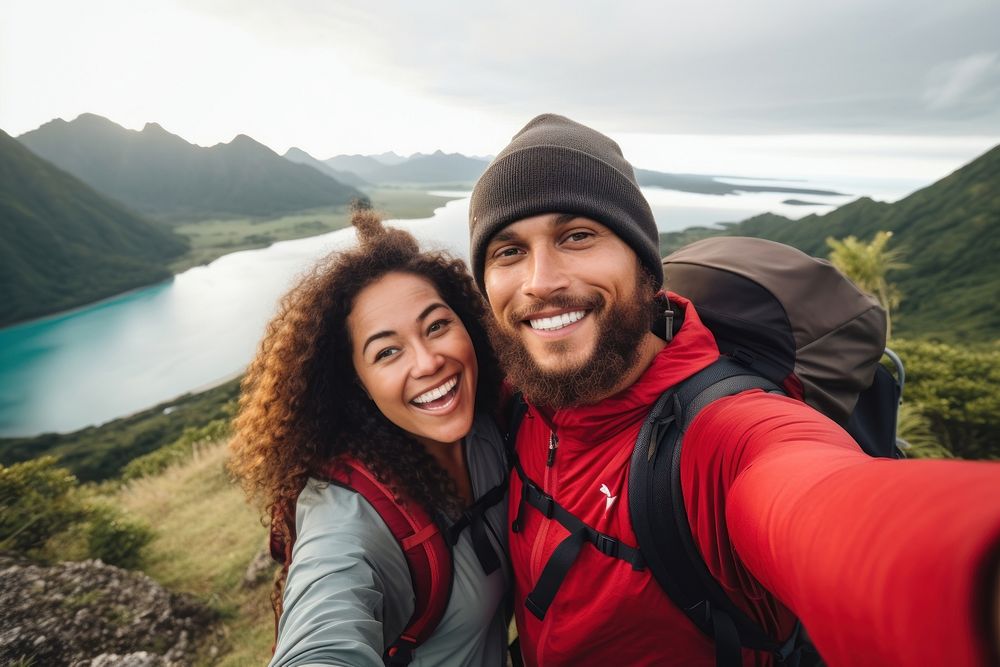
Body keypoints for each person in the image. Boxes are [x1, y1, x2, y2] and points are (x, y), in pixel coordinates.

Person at [468, 113, 1000, 667]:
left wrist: (970, 566)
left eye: (577, 236)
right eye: (508, 251)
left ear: (645, 266)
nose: (540, 281)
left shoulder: (721, 435)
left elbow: (825, 500)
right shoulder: (519, 395)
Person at [229, 209, 509, 667]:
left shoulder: (494, 424)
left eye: (437, 325)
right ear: (358, 382)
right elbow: (323, 633)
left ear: (469, 326)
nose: (427, 362)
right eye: (387, 351)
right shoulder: (350, 518)